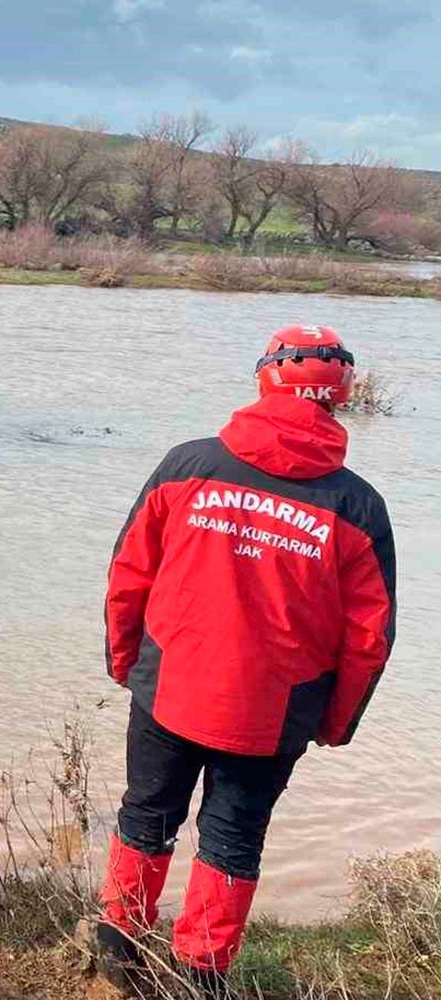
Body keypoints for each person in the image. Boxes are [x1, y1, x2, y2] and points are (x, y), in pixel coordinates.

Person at [98, 325, 396, 996]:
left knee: (146, 815)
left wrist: (125, 661)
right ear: (340, 396)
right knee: (232, 840)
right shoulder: (358, 506)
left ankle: (119, 958)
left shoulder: (188, 465)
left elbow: (127, 576)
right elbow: (369, 639)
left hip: (168, 684)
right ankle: (201, 979)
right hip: (275, 712)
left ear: (264, 378)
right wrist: (334, 722)